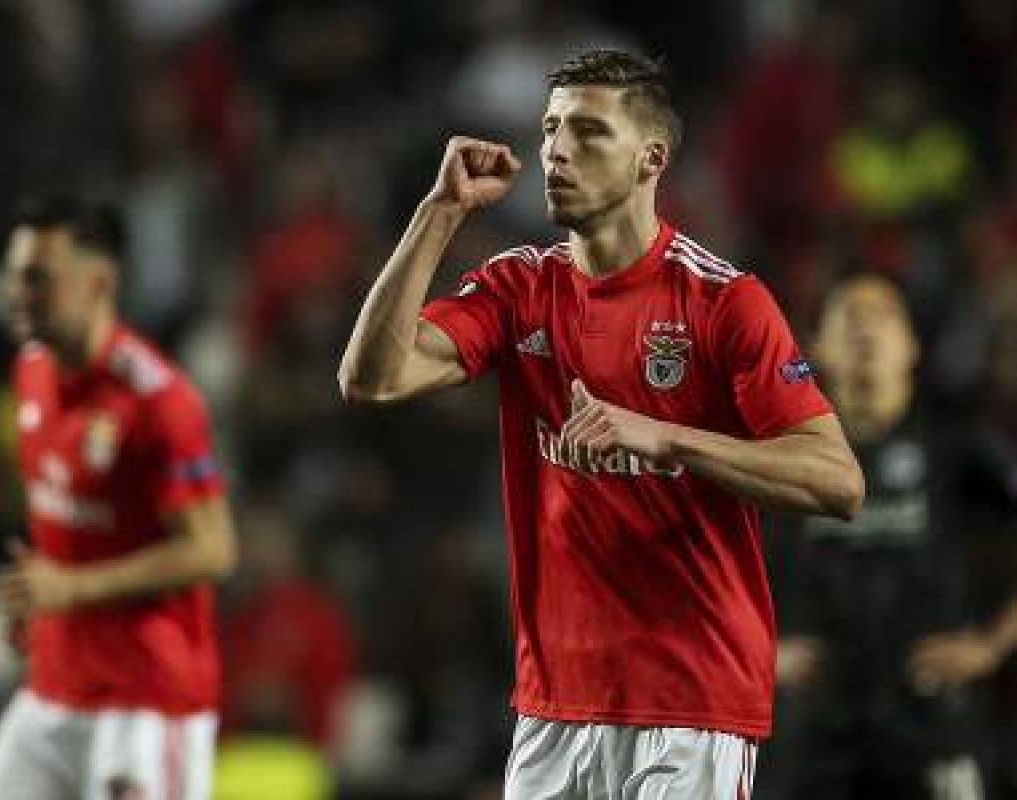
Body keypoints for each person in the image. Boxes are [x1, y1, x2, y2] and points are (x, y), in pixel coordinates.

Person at [338, 48, 864, 798]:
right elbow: (372, 377)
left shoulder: (724, 302)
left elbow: (839, 481)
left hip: (690, 701)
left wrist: (665, 435)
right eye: (551, 129)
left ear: (652, 158)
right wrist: (440, 212)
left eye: (588, 133)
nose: (556, 151)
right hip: (553, 704)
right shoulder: (521, 287)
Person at [0, 193, 238, 800]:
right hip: (54, 687)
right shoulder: (32, 371)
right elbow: (71, 519)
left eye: (37, 278)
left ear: (98, 281)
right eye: (13, 275)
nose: (16, 292)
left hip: (147, 701)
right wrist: (39, 600)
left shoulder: (159, 402)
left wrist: (70, 588)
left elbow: (213, 551)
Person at [760, 274, 986, 800]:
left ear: (913, 346)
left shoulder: (957, 449)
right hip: (811, 731)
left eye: (881, 316)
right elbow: (687, 560)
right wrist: (754, 655)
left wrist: (989, 646)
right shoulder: (773, 451)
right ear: (818, 347)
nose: (866, 331)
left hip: (930, 723)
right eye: (850, 318)